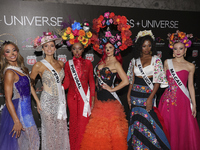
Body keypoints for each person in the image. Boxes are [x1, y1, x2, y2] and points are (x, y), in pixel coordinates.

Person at [80, 11, 132, 150]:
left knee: (112, 134)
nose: (108, 50)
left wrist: (113, 89)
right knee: (98, 133)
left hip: (110, 102)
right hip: (99, 100)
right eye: (106, 48)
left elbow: (126, 81)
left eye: (111, 48)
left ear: (115, 49)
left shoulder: (115, 63)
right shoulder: (101, 62)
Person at [127, 30, 170, 150]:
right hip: (135, 97)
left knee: (149, 123)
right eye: (144, 45)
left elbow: (157, 82)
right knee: (136, 122)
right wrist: (128, 95)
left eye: (149, 45)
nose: (147, 48)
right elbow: (131, 80)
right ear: (140, 46)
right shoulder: (134, 61)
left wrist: (151, 98)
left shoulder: (156, 60)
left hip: (147, 96)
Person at [158, 30, 200, 150]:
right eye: (175, 48)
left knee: (181, 129)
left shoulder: (190, 66)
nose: (177, 51)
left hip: (183, 102)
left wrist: (194, 105)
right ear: (172, 49)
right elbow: (162, 82)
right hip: (167, 102)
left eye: (180, 48)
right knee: (167, 128)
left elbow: (191, 86)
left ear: (185, 49)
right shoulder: (167, 62)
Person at [30, 32, 70, 150]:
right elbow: (30, 85)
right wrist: (37, 101)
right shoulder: (38, 65)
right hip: (46, 102)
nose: (49, 48)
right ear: (42, 48)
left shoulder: (61, 63)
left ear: (55, 47)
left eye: (52, 45)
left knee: (60, 132)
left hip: (60, 102)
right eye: (46, 46)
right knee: (49, 132)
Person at [60, 20, 95, 150]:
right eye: (74, 49)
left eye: (80, 49)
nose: (77, 51)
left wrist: (92, 98)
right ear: (71, 49)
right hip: (72, 98)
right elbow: (67, 83)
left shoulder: (89, 63)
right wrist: (58, 88)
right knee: (74, 123)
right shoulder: (68, 64)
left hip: (85, 98)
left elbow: (91, 82)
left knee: (84, 123)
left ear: (84, 49)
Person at [0, 41, 40, 150]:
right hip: (20, 112)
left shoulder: (21, 69)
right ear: (4, 56)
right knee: (34, 141)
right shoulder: (9, 72)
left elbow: (30, 87)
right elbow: (7, 100)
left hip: (27, 111)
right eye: (8, 51)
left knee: (25, 144)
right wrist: (17, 121)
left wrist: (37, 101)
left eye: (14, 50)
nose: (12, 53)